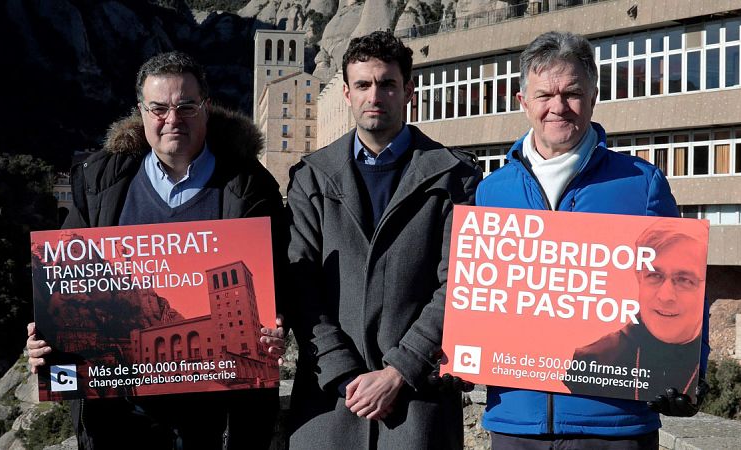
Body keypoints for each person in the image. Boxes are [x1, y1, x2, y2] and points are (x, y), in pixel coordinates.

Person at [26, 51, 288, 450]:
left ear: (206, 107)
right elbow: (63, 279)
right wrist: (45, 342)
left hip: (215, 416)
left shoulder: (250, 187)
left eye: (186, 106)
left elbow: (282, 279)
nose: (172, 119)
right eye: (159, 108)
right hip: (120, 416)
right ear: (141, 112)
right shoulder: (102, 185)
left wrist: (276, 325)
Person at [474, 31, 710, 449]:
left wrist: (689, 377)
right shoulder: (491, 190)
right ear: (522, 101)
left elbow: (688, 283)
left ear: (594, 97)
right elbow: (478, 295)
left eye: (572, 93)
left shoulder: (641, 184)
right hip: (516, 423)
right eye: (545, 94)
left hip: (614, 425)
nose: (558, 107)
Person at [285, 30, 482, 449]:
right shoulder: (312, 177)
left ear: (408, 90)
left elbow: (461, 285)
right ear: (346, 92)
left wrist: (399, 371)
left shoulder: (454, 177)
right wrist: (346, 375)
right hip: (331, 404)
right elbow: (300, 285)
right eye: (363, 84)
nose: (375, 95)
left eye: (387, 83)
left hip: (417, 404)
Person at [565, 220, 708, 401]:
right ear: (638, 277)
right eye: (654, 275)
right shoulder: (595, 358)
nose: (666, 296)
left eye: (684, 280)